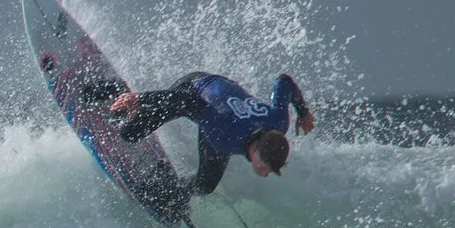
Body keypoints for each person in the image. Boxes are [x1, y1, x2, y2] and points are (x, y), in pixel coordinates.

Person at [104, 72, 316, 197]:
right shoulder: (224, 132)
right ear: (257, 151)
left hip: (219, 107)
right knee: (130, 133)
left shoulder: (278, 122)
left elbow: (284, 82)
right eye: (266, 167)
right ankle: (115, 92)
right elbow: (186, 102)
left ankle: (170, 193)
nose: (266, 173)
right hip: (193, 89)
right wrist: (140, 98)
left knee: (206, 185)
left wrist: (303, 112)